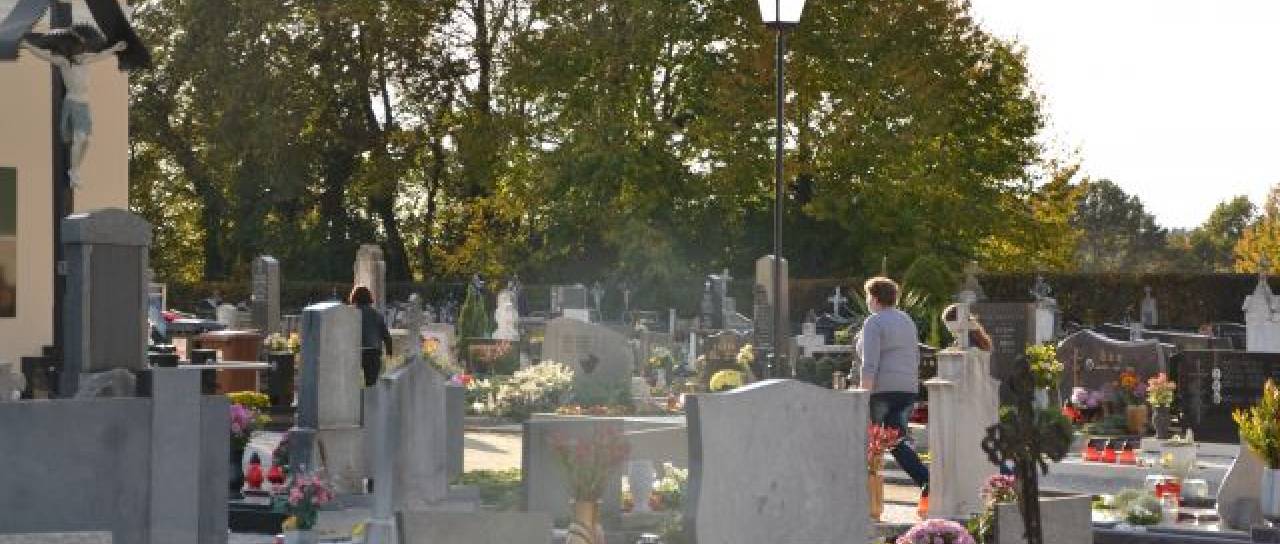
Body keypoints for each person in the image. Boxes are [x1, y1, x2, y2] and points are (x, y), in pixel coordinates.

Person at [856, 276, 930, 517]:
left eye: (868, 296)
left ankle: (866, 500)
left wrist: (863, 393)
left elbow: (870, 362)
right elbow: (915, 356)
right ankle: (926, 482)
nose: (868, 301)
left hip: (882, 389)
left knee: (870, 444)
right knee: (896, 441)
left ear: (875, 298)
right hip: (907, 388)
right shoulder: (906, 320)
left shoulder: (874, 322)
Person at [20, 25, 128, 189]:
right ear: (70, 51)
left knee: (87, 142)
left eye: (81, 49)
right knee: (80, 139)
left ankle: (75, 170)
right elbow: (43, 55)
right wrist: (28, 46)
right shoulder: (64, 62)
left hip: (84, 105)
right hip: (73, 103)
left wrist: (115, 48)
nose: (81, 53)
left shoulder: (84, 59)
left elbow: (101, 55)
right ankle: (74, 172)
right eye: (78, 50)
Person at [350, 286, 391, 386]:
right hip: (373, 352)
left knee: (351, 384)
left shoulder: (350, 314)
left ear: (354, 297)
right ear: (369, 297)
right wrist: (389, 352)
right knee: (371, 385)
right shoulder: (377, 315)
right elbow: (386, 336)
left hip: (355, 352)